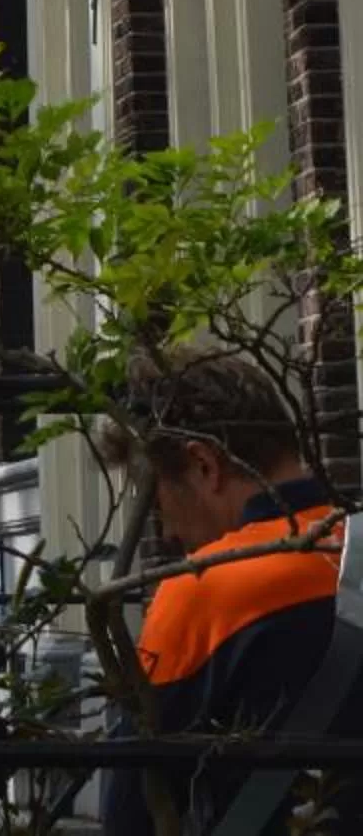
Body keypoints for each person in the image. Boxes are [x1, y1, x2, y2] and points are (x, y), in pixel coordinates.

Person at [102, 348, 363, 836]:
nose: (169, 532)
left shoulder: (202, 591)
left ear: (204, 466)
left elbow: (134, 810)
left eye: (159, 500)